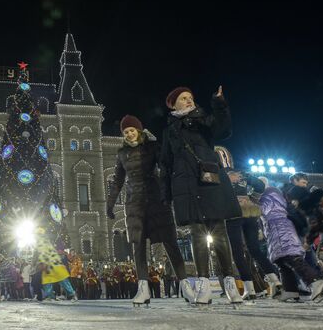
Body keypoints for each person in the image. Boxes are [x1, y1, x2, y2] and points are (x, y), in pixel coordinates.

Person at [159, 86, 243, 306]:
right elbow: (165, 165)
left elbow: (223, 129)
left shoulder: (203, 120)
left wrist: (219, 103)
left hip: (208, 179)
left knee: (219, 230)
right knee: (197, 232)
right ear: (173, 104)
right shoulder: (169, 131)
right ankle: (203, 284)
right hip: (185, 185)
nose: (189, 101)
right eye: (184, 98)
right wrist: (166, 195)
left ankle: (230, 282)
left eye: (191, 97)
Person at [107, 114, 196, 306]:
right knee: (138, 246)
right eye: (126, 132)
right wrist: (110, 204)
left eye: (132, 130)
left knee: (170, 241)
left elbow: (165, 166)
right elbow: (117, 181)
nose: (129, 134)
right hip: (134, 202)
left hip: (156, 198)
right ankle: (143, 289)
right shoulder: (122, 154)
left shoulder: (152, 146)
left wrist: (169, 192)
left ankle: (186, 286)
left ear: (139, 130)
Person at [216, 146, 283, 299]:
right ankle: (275, 280)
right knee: (255, 250)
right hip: (250, 212)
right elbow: (259, 184)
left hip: (232, 213)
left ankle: (249, 289)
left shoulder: (219, 175)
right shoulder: (243, 172)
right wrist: (253, 198)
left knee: (238, 251)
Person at [258, 179, 323, 302]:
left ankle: (315, 282)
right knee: (281, 261)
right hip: (276, 230)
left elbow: (270, 212)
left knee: (291, 257)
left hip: (279, 229)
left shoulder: (270, 193)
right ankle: (290, 290)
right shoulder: (271, 194)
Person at [35, 227, 77, 302]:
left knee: (59, 280)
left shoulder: (41, 242)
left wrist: (43, 263)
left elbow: (44, 253)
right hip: (53, 263)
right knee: (53, 280)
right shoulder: (44, 241)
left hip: (51, 263)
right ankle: (51, 296)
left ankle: (71, 295)